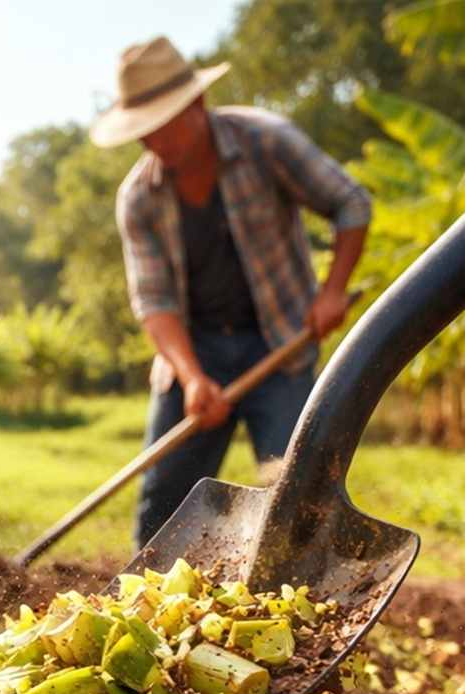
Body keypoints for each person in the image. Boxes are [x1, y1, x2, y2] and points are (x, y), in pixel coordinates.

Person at [94, 36, 371, 549]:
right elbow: (155, 302)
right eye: (144, 131)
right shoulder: (138, 198)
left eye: (163, 124)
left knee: (296, 493)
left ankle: (305, 610)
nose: (154, 141)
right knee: (164, 503)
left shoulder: (266, 142)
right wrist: (193, 378)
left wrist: (331, 292)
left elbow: (351, 203)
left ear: (196, 105)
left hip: (280, 344)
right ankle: (147, 615)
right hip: (193, 352)